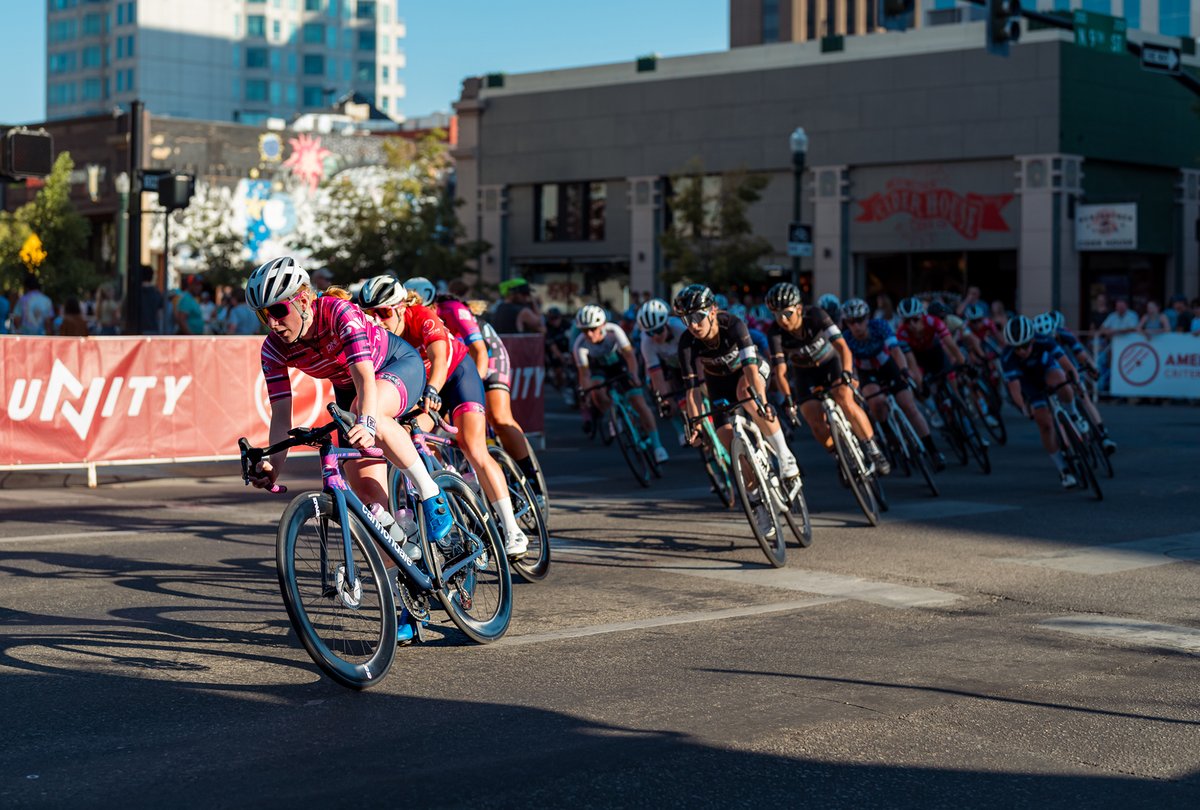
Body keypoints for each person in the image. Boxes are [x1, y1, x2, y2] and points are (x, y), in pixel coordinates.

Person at [244, 258, 453, 642]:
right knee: (372, 507)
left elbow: (364, 379)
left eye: (278, 310)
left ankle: (431, 494)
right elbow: (281, 415)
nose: (272, 322)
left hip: (392, 365)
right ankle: (405, 605)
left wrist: (368, 422)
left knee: (362, 412)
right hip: (353, 390)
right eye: (263, 315)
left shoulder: (336, 311)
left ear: (303, 299)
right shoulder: (273, 349)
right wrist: (274, 466)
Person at [359, 275, 530, 559]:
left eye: (384, 312)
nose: (377, 319)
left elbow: (439, 357)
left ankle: (513, 529)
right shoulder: (376, 334)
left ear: (401, 307)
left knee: (472, 446)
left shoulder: (422, 315)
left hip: (455, 376)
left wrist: (435, 389)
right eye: (369, 313)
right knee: (408, 441)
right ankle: (447, 483)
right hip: (424, 386)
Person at [676, 284, 798, 538]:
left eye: (697, 317)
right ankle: (757, 503)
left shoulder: (733, 324)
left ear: (712, 311)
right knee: (727, 440)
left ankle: (786, 457)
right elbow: (692, 391)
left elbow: (752, 371)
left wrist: (763, 402)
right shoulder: (687, 342)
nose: (693, 324)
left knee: (747, 397)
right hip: (718, 384)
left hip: (748, 373)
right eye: (687, 319)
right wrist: (695, 423)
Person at [415, 276, 546, 503]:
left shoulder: (451, 308)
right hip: (456, 363)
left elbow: (479, 350)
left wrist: (475, 388)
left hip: (487, 354)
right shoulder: (409, 319)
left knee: (499, 416)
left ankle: (531, 480)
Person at [765, 283, 890, 479]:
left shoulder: (816, 315)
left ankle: (873, 449)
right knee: (813, 418)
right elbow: (780, 372)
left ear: (798, 308)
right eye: (776, 314)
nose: (782, 319)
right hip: (804, 372)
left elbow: (842, 347)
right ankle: (841, 458)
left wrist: (848, 372)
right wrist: (788, 400)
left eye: (787, 313)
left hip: (832, 363)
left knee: (844, 398)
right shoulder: (775, 332)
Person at [841, 297, 944, 470]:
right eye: (851, 322)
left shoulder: (879, 325)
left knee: (908, 406)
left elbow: (896, 350)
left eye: (859, 321)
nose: (856, 326)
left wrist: (904, 370)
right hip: (866, 371)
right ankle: (888, 435)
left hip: (887, 365)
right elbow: (849, 365)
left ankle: (933, 451)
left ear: (867, 318)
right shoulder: (846, 338)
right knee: (876, 403)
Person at [573, 303, 669, 463]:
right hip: (599, 368)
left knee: (638, 401)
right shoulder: (579, 344)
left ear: (602, 325)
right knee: (596, 391)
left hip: (620, 364)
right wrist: (587, 391)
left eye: (593, 328)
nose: (589, 334)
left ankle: (658, 446)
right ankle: (614, 414)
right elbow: (584, 374)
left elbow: (630, 356)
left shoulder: (614, 331)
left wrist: (634, 377)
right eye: (584, 330)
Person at [1001, 315, 1079, 489]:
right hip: (1029, 384)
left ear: (1032, 339)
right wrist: (1023, 406)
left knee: (1061, 380)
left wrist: (1075, 379)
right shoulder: (1007, 358)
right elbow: (1015, 390)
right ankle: (1063, 470)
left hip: (1047, 370)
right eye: (1017, 348)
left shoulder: (1044, 339)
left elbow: (1066, 364)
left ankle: (1074, 415)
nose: (1022, 351)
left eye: (1025, 345)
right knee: (1044, 424)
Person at [1033, 311, 1116, 454]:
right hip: (1051, 371)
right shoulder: (1036, 343)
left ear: (1055, 331)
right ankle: (1065, 443)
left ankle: (1104, 436)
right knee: (1054, 405)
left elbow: (1082, 355)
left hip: (1069, 366)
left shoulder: (1065, 335)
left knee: (1084, 397)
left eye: (1051, 337)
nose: (1048, 341)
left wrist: (1091, 368)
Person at [636, 298, 689, 444]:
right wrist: (666, 398)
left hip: (688, 361)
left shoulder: (680, 328)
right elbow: (655, 373)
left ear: (666, 324)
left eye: (658, 330)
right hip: (668, 367)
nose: (655, 336)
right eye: (650, 333)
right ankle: (680, 430)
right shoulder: (646, 343)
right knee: (667, 400)